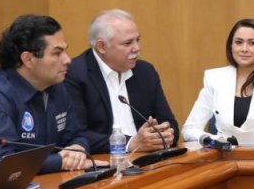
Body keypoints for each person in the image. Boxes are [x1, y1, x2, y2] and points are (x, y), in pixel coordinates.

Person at [0, 14, 91, 174]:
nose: (67, 60)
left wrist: (78, 148)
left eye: (65, 51)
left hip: (52, 183)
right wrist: (60, 161)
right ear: (28, 59)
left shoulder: (56, 86)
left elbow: (77, 134)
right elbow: (3, 162)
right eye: (57, 53)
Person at [65, 9, 178, 155]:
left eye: (138, 40)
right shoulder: (74, 74)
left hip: (148, 159)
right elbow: (77, 134)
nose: (137, 48)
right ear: (102, 47)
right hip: (105, 162)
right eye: (128, 43)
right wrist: (130, 143)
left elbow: (170, 124)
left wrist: (162, 135)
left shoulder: (145, 72)